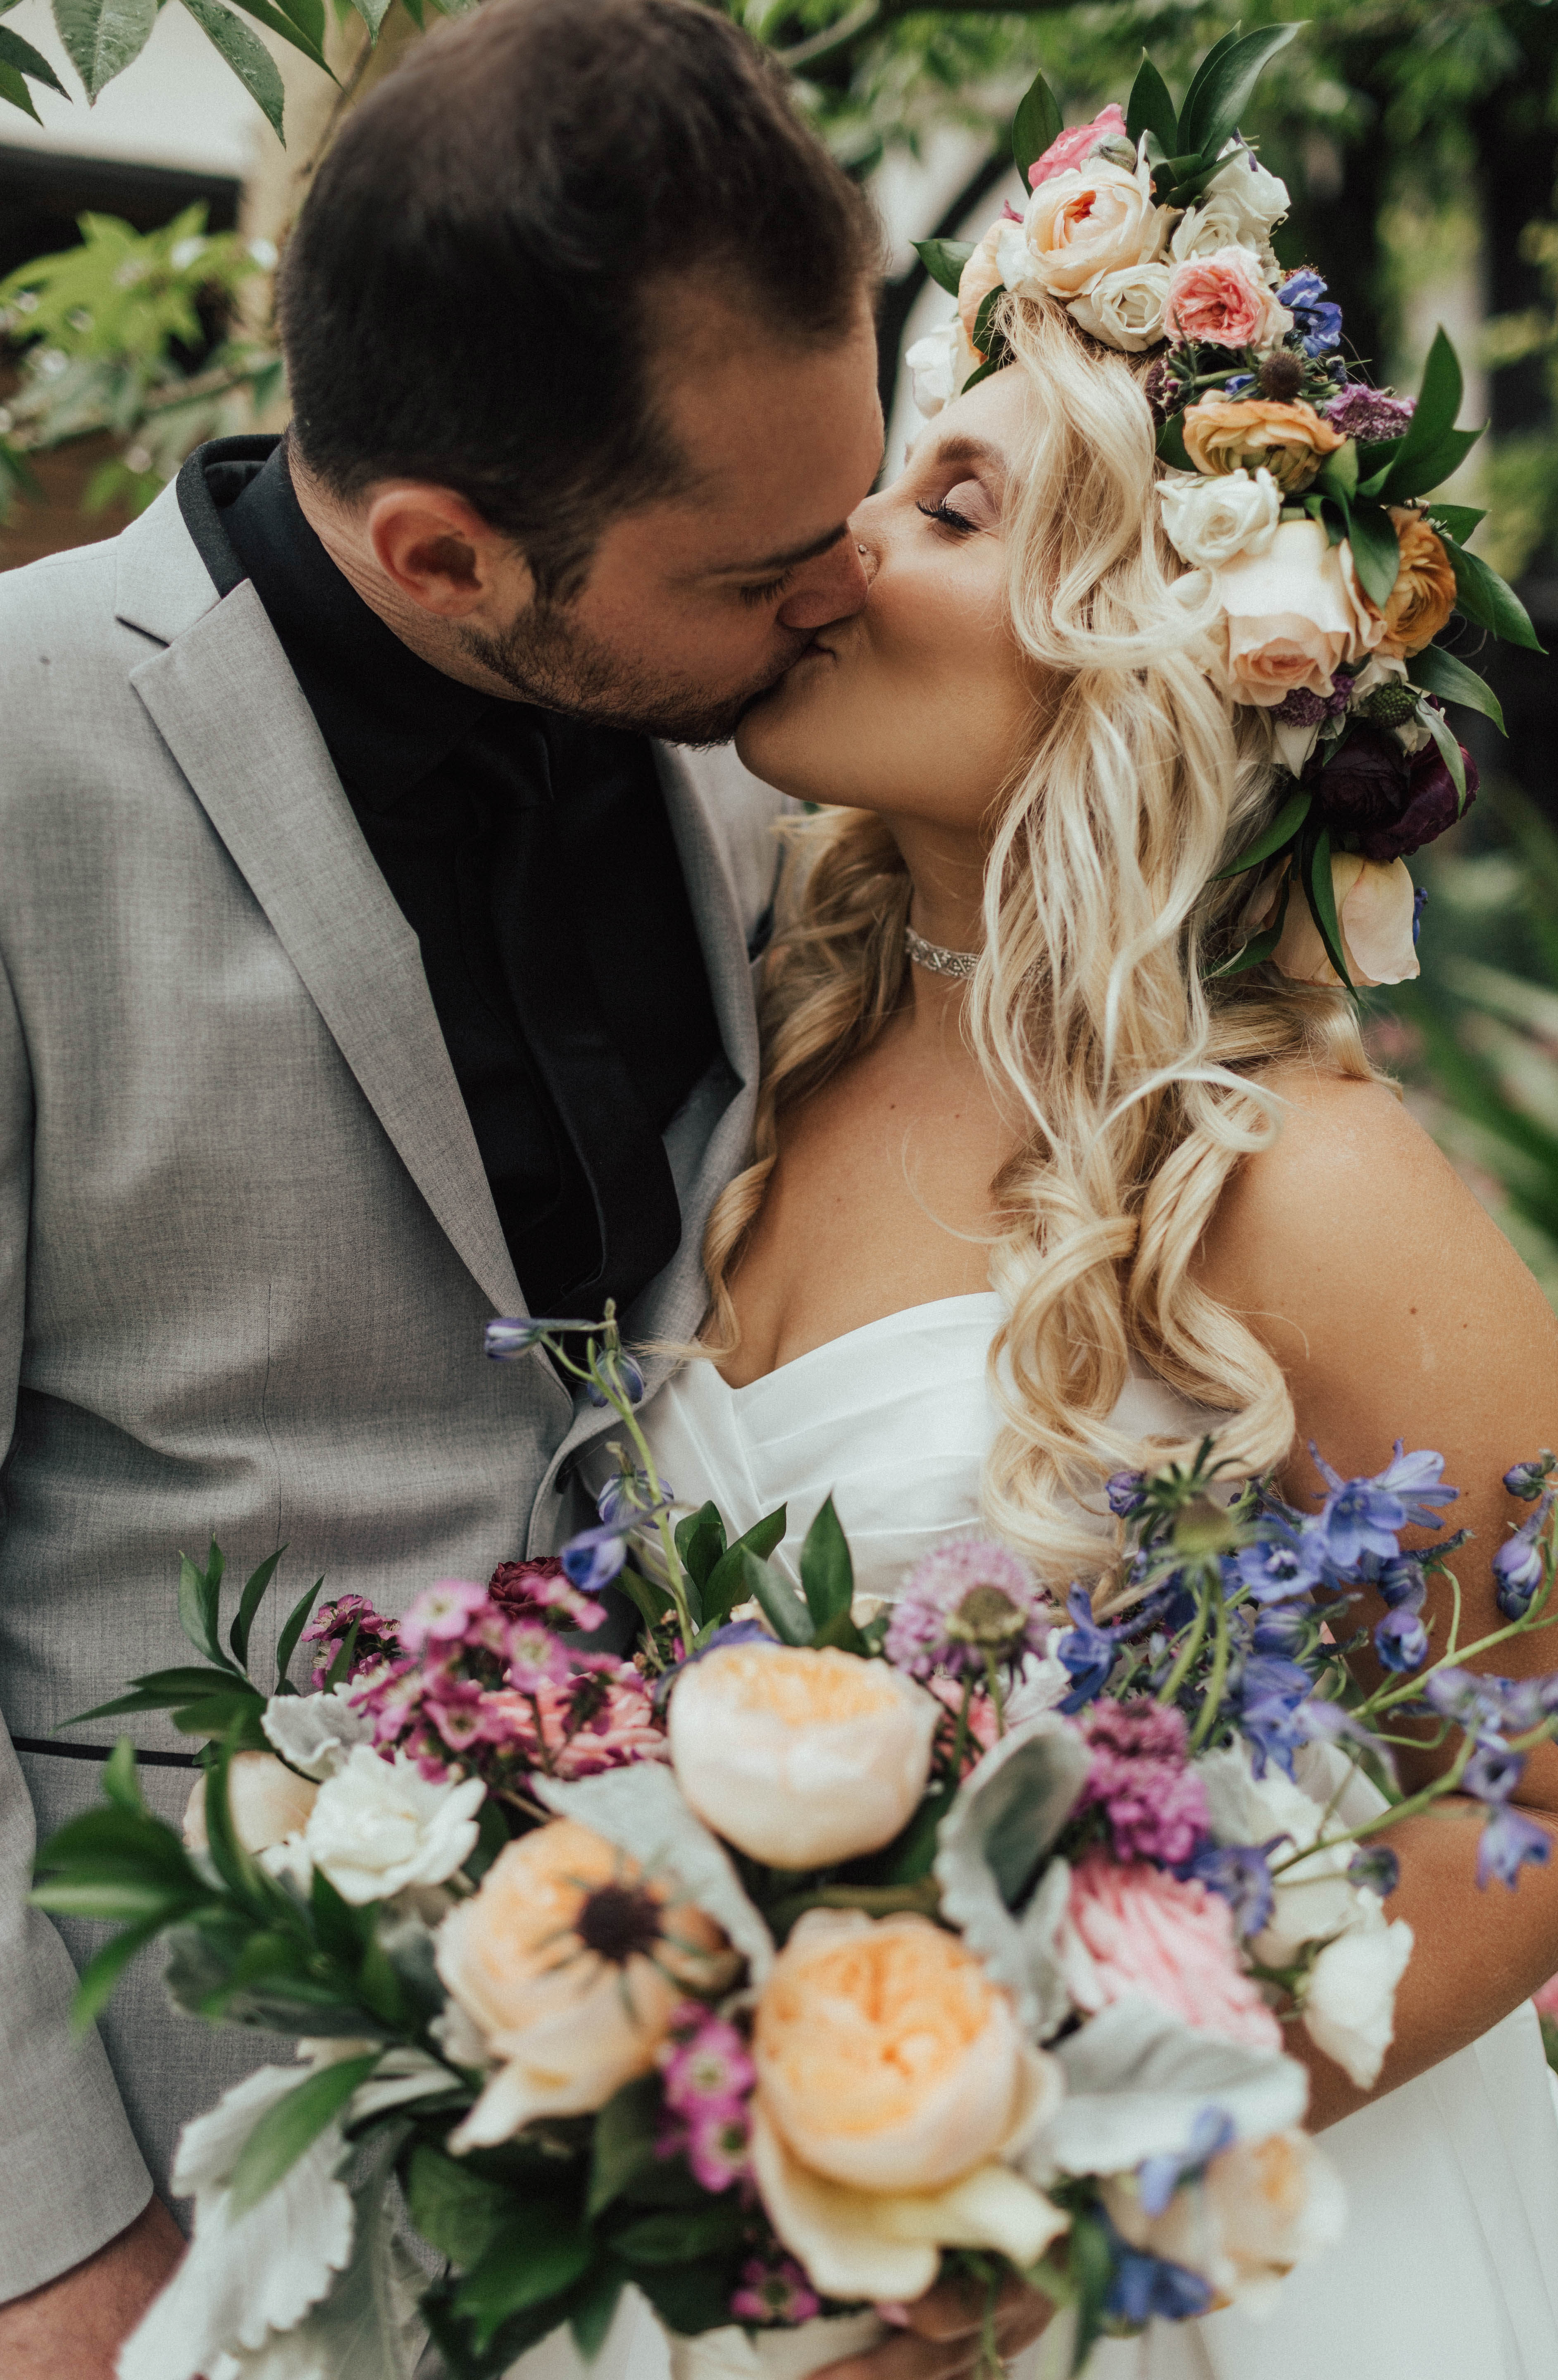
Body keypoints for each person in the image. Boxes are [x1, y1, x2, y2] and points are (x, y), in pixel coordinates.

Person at [0, 2, 884, 2372]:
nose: (844, 599)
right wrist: (44, 2247)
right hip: (206, 2126)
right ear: (445, 550)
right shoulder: (19, 758)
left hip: (744, 2111)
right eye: (770, 565)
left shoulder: (773, 726)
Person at [630, 305, 1558, 2374]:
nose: (848, 544)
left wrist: (1058, 2189)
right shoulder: (746, 1014)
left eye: (947, 504)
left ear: (1135, 644)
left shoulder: (1292, 1175)